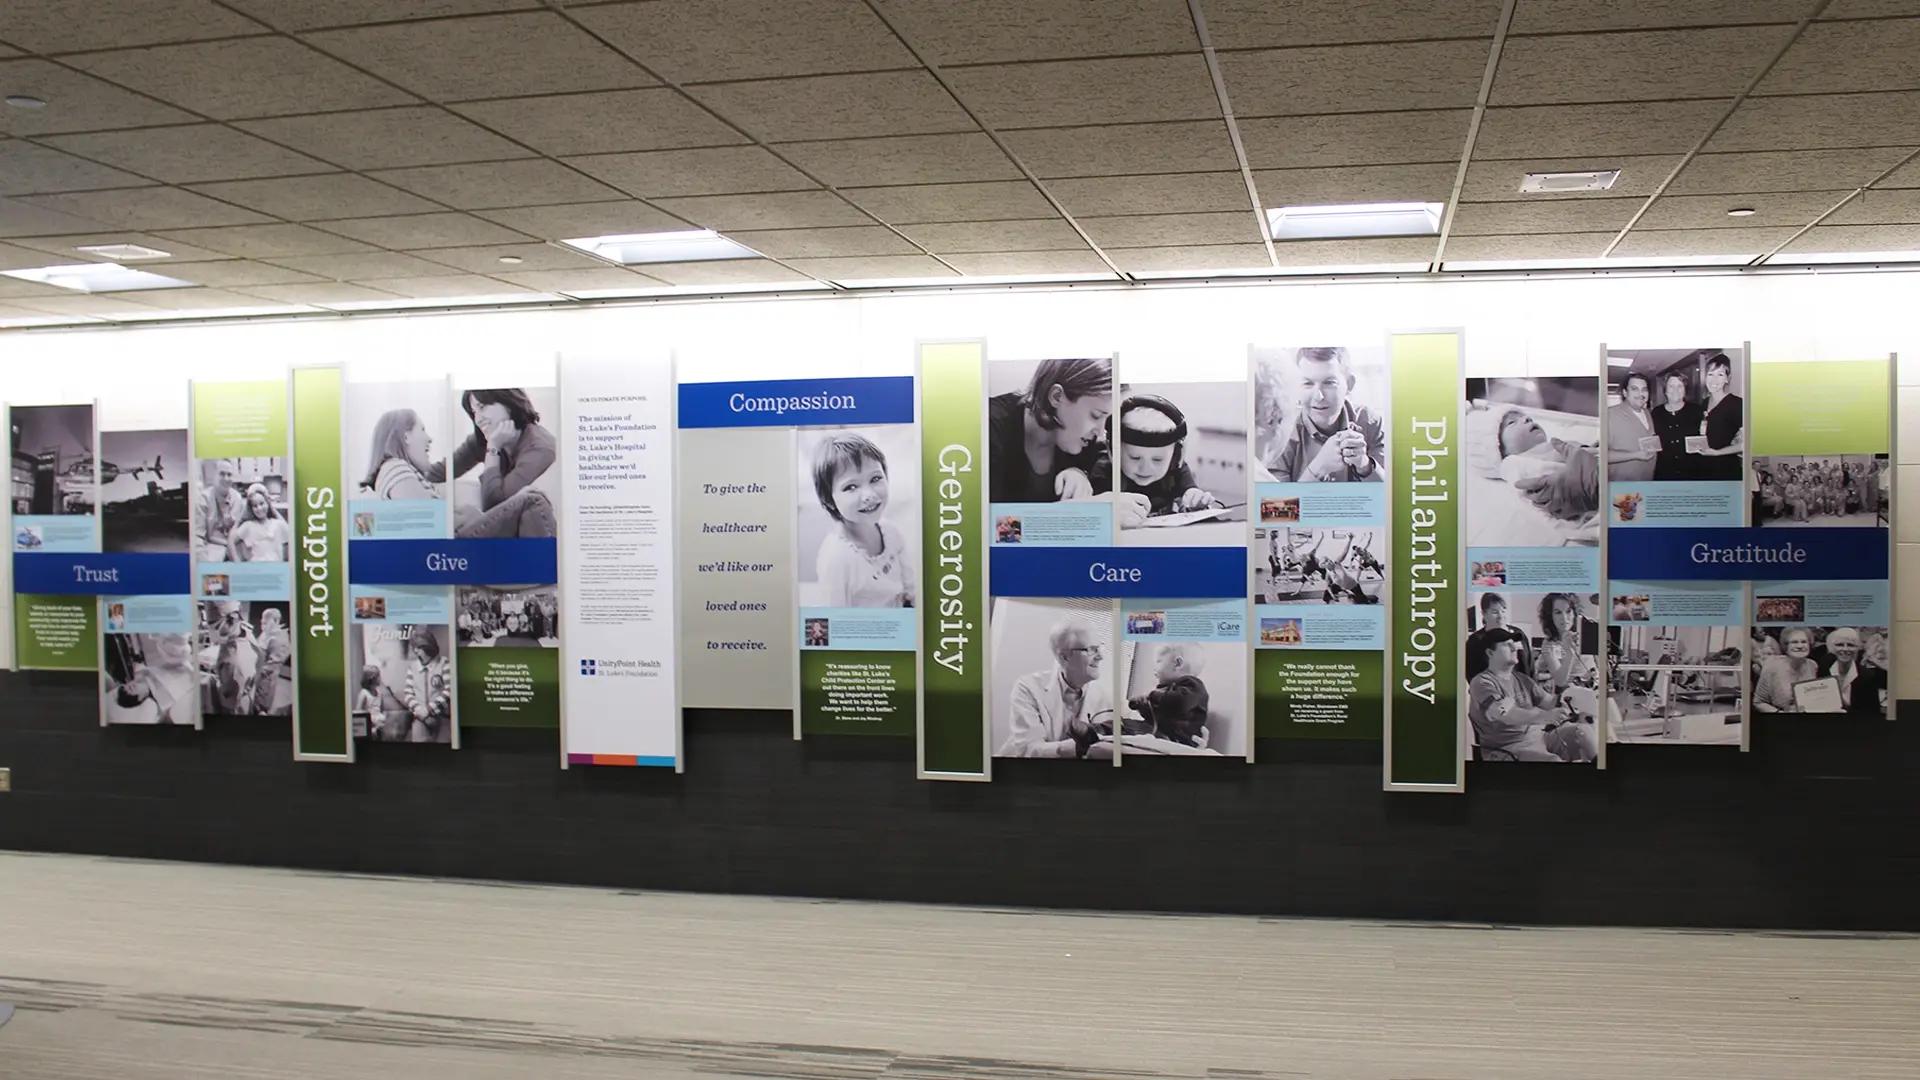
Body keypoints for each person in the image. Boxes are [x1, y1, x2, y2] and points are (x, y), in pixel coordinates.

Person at [432, 389, 557, 538]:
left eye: (482, 407)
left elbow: (495, 506)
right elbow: (438, 473)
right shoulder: (482, 440)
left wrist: (493, 448)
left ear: (508, 404)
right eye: (474, 412)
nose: (478, 419)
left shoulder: (540, 448)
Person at [811, 432, 915, 608]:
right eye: (851, 487)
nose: (869, 495)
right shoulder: (836, 559)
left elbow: (911, 587)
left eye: (875, 479)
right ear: (829, 500)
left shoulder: (891, 532)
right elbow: (833, 618)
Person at [987, 358, 1112, 503]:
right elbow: (983, 515)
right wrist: (1087, 507)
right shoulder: (988, 428)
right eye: (1096, 415)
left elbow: (1102, 457)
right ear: (1056, 397)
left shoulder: (1082, 440)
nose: (1100, 431)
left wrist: (1079, 473)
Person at [1257, 347, 1384, 483]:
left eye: (1329, 383)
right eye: (1307, 383)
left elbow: (1389, 492)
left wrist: (1365, 465)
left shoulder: (1370, 422)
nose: (1319, 396)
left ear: (1349, 384)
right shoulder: (1280, 432)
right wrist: (1318, 467)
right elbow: (1277, 496)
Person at [1467, 626, 1594, 762]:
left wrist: (1577, 697)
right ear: (1490, 653)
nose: (1514, 648)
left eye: (1513, 644)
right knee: (1553, 761)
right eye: (1507, 645)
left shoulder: (1522, 679)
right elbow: (1505, 715)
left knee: (1583, 731)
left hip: (1539, 737)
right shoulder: (1482, 683)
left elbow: (1551, 703)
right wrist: (1545, 716)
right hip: (1508, 747)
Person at [999, 621, 1113, 759]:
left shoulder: (1107, 698)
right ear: (1064, 657)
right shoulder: (1028, 688)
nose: (1100, 656)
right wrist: (1079, 747)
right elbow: (1029, 750)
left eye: (1099, 648)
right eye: (1091, 649)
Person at [1115, 395, 1221, 527]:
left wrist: (1195, 501)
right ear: (1114, 451)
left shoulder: (1176, 470)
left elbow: (1189, 494)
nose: (1145, 468)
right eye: (1135, 458)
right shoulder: (1103, 473)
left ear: (1175, 456)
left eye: (1157, 459)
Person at [1493, 408, 1599, 525]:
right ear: (1500, 451)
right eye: (1512, 422)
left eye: (1527, 418)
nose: (1527, 419)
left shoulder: (1558, 444)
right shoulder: (1515, 464)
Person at [1125, 643, 1210, 748]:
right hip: (1163, 733)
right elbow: (1156, 716)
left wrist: (1152, 695)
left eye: (1159, 661)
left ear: (1177, 664)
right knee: (1126, 725)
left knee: (1123, 726)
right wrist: (1142, 705)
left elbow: (1180, 703)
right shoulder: (1171, 690)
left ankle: (1107, 730)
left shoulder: (1193, 685)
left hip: (1177, 738)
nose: (1154, 667)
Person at [360, 407, 437, 501]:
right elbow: (422, 509)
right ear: (406, 437)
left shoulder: (394, 472)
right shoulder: (396, 469)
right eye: (422, 430)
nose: (429, 439)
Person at [1694, 352, 1743, 480]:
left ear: (1727, 378)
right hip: (1703, 467)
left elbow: (1748, 443)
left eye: (1720, 375)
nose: (1714, 380)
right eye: (1710, 374)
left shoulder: (1737, 404)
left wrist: (1717, 453)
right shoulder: (1704, 402)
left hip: (1725, 468)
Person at [1819, 627, 1886, 717]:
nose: (1845, 649)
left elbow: (1872, 712)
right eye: (1840, 645)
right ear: (1832, 647)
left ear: (1857, 648)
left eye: (1850, 645)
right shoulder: (1825, 665)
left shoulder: (1867, 676)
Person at [1465, 592, 1533, 681]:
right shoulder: (1475, 640)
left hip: (1522, 687)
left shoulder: (1518, 634)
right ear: (1484, 614)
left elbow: (1530, 665)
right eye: (1495, 612)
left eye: (1503, 611)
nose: (1501, 616)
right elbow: (1471, 673)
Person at [1533, 593, 1592, 694]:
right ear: (1550, 616)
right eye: (1558, 612)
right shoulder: (1549, 644)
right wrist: (1569, 652)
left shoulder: (1586, 634)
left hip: (1593, 689)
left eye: (1568, 611)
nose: (1564, 618)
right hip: (1569, 695)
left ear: (1575, 613)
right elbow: (1560, 681)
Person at [401, 626, 451, 743]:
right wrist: (419, 711)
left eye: (419, 647)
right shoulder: (412, 667)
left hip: (442, 719)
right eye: (414, 647)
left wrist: (429, 710)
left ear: (428, 647)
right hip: (419, 720)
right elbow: (408, 693)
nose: (415, 651)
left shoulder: (444, 663)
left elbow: (449, 691)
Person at [1606, 371, 1658, 482]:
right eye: (1634, 389)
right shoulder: (1609, 415)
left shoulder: (1647, 413)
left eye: (1644, 389)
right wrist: (1635, 455)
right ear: (1625, 393)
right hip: (1622, 485)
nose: (1641, 394)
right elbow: (1600, 454)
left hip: (1647, 480)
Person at [1753, 626, 1818, 712]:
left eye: (1804, 642)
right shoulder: (1772, 666)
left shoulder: (1812, 665)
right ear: (1786, 646)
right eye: (1794, 642)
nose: (1800, 646)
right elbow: (1758, 702)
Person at [1651, 371, 1702, 480]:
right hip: (1664, 473)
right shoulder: (1656, 413)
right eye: (1671, 386)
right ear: (1665, 390)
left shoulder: (1697, 411)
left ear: (1685, 390)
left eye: (1680, 386)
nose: (1676, 390)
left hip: (1693, 472)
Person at [195, 459, 244, 561]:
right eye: (222, 474)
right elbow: (197, 537)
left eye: (229, 474)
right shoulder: (203, 499)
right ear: (215, 476)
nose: (226, 478)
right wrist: (204, 562)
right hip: (213, 546)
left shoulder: (238, 498)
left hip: (234, 545)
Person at [227, 483, 288, 562]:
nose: (259, 508)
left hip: (275, 566)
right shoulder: (248, 526)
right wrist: (237, 562)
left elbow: (290, 532)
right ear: (251, 509)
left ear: (268, 504)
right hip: (256, 566)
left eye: (262, 503)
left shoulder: (278, 524)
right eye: (255, 506)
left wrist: (272, 507)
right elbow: (231, 540)